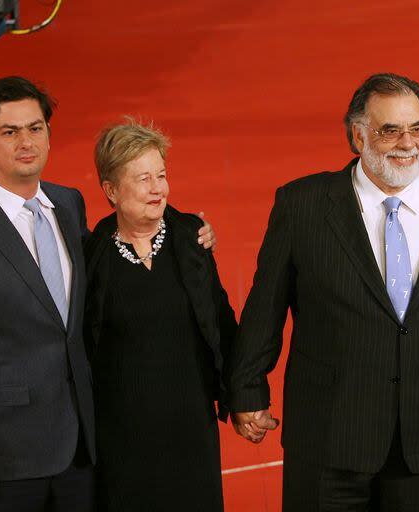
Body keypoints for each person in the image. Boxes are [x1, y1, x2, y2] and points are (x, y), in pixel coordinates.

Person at [0, 77, 216, 512]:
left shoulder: (68, 204)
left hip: (82, 447)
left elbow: (116, 256)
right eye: (10, 131)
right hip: (5, 456)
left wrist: (191, 234)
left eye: (36, 128)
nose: (26, 142)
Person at [225, 73, 419, 511]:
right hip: (329, 438)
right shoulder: (303, 205)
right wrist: (247, 387)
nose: (408, 142)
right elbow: (266, 303)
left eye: (417, 127)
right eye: (390, 130)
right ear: (357, 135)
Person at [84, 119, 237, 511]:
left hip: (191, 434)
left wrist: (243, 395)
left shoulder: (191, 238)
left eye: (162, 175)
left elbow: (221, 321)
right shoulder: (91, 257)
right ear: (111, 191)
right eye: (143, 179)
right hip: (123, 442)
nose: (158, 188)